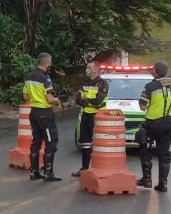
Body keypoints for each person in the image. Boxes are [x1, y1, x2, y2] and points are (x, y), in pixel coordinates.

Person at [136, 60, 171, 192]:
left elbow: (142, 106)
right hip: (169, 123)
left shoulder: (151, 87)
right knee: (164, 154)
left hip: (153, 124)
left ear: (155, 71)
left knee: (145, 150)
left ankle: (147, 179)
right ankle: (163, 184)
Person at [24, 53, 63, 182]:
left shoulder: (29, 77)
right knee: (51, 142)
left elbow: (25, 97)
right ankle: (48, 173)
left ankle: (34, 172)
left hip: (33, 112)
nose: (50, 65)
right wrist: (57, 101)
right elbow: (49, 98)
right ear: (46, 63)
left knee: (36, 141)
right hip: (45, 113)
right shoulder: (45, 78)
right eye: (50, 62)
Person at [72, 62, 110, 176]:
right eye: (87, 67)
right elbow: (78, 99)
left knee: (99, 145)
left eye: (90, 68)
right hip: (85, 116)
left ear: (97, 70)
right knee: (85, 144)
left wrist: (86, 99)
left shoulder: (102, 83)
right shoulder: (85, 83)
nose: (87, 69)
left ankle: (100, 169)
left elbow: (98, 102)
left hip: (98, 117)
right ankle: (84, 169)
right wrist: (88, 100)